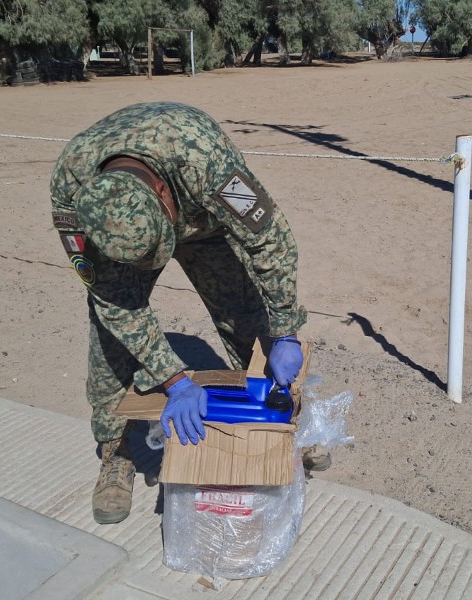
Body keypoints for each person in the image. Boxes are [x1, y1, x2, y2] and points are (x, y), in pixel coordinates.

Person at [50, 101, 310, 524]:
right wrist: (175, 381)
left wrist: (284, 331)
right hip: (122, 246)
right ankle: (115, 453)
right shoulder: (71, 190)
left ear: (162, 192)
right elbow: (113, 301)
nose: (155, 263)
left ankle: (283, 417)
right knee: (107, 336)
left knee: (245, 317)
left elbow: (271, 242)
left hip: (204, 221)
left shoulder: (202, 159)